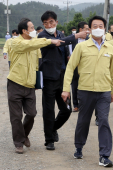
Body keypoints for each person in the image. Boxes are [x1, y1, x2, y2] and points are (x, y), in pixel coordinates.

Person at [62, 15, 113, 167]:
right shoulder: (81, 47)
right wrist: (66, 89)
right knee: (83, 120)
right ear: (89, 29)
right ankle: (79, 146)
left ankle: (104, 155)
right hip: (85, 90)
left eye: (101, 26)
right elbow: (70, 67)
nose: (98, 29)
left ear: (105, 29)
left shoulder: (110, 48)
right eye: (95, 26)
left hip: (104, 91)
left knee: (104, 121)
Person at [7, 18, 64, 154]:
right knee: (16, 117)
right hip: (16, 83)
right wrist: (50, 41)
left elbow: (38, 64)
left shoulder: (35, 44)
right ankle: (18, 143)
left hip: (30, 85)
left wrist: (38, 81)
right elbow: (29, 46)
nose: (34, 30)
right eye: (32, 28)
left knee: (32, 114)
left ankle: (24, 135)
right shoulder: (15, 42)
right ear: (24, 31)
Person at [38, 10, 88, 150]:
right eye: (46, 23)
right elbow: (59, 43)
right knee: (48, 110)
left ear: (56, 22)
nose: (49, 25)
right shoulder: (42, 36)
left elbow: (65, 49)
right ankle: (49, 140)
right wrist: (76, 35)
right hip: (48, 78)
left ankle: (52, 128)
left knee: (66, 110)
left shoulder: (60, 34)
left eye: (51, 22)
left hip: (62, 78)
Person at [69, 22, 89, 112]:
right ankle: (76, 105)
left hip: (86, 66)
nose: (88, 31)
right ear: (81, 30)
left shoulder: (90, 39)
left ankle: (84, 104)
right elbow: (69, 51)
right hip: (75, 66)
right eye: (86, 29)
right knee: (74, 86)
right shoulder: (73, 40)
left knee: (85, 85)